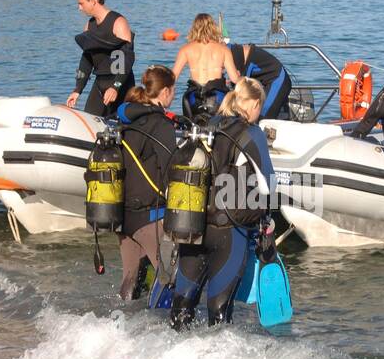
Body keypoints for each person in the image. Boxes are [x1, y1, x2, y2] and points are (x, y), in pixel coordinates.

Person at [171, 79, 274, 329]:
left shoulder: (205, 125)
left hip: (192, 225)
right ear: (255, 104)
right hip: (229, 231)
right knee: (218, 316)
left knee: (181, 311)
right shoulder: (251, 133)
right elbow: (268, 186)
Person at [115, 66, 179, 300]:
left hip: (123, 215)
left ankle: (117, 328)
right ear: (164, 92)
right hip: (150, 217)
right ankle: (171, 334)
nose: (173, 96)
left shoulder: (125, 118)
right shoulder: (161, 124)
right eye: (173, 91)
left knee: (129, 283)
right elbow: (171, 170)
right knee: (171, 278)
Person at [66, 0, 135, 116]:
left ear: (93, 1)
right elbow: (86, 60)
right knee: (90, 121)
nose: (79, 8)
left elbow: (127, 59)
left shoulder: (118, 22)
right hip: (100, 82)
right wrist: (78, 89)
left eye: (81, 3)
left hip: (120, 83)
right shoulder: (89, 26)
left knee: (120, 127)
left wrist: (116, 87)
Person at [173, 13, 240, 120]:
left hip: (193, 97)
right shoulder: (223, 49)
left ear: (194, 28)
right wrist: (239, 76)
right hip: (217, 97)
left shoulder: (185, 49)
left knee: (191, 127)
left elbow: (173, 78)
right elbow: (234, 79)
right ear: (213, 27)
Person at [229, 41, 293, 120]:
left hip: (278, 80)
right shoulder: (226, 51)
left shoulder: (230, 54)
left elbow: (240, 84)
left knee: (263, 120)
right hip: (265, 81)